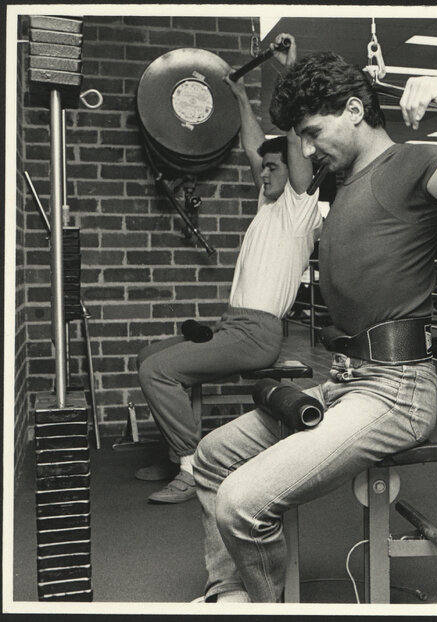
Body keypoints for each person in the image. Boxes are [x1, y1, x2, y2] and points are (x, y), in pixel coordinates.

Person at [190, 51, 437, 603]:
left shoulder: (417, 160)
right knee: (212, 457)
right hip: (346, 379)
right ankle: (231, 592)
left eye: (315, 133)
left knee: (241, 501)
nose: (311, 148)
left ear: (352, 109)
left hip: (396, 390)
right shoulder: (341, 182)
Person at [134, 34, 319, 504]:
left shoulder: (301, 206)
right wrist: (238, 95)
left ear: (295, 170)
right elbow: (257, 145)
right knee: (150, 358)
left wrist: (289, 70)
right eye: (262, 169)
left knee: (160, 372)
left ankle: (191, 466)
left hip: (256, 335)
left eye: (273, 168)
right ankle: (176, 447)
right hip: (231, 324)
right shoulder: (269, 200)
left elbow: (291, 141)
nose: (264, 173)